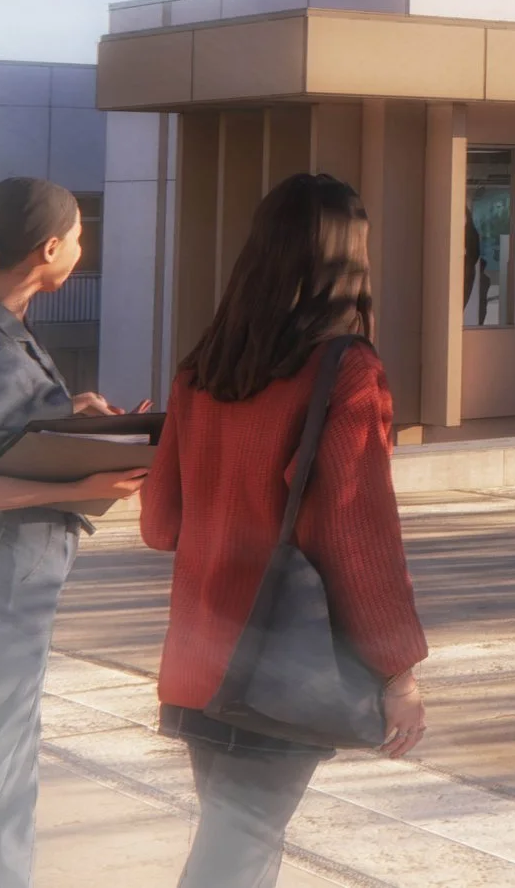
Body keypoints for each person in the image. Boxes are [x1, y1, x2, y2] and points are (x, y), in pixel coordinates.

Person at [141, 174, 428, 888]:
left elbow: (160, 522)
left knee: (238, 850)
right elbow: (359, 535)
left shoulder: (202, 369)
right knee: (234, 861)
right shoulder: (345, 371)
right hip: (274, 671)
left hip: (197, 660)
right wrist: (398, 672)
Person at [0, 177, 148, 885]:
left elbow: (4, 437)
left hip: (11, 586)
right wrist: (84, 487)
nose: (86, 248)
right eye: (82, 235)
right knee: (1, 766)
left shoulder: (9, 327)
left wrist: (64, 414)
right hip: (0, 591)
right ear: (49, 248)